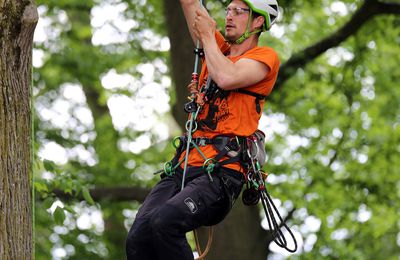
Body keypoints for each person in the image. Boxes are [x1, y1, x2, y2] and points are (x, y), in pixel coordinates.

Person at [125, 0, 280, 259]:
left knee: (166, 222)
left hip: (221, 174)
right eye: (227, 10)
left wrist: (208, 35)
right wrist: (207, 33)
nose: (228, 16)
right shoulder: (215, 48)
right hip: (184, 166)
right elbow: (190, 4)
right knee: (138, 237)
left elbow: (227, 77)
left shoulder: (264, 58)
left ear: (258, 21)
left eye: (238, 12)